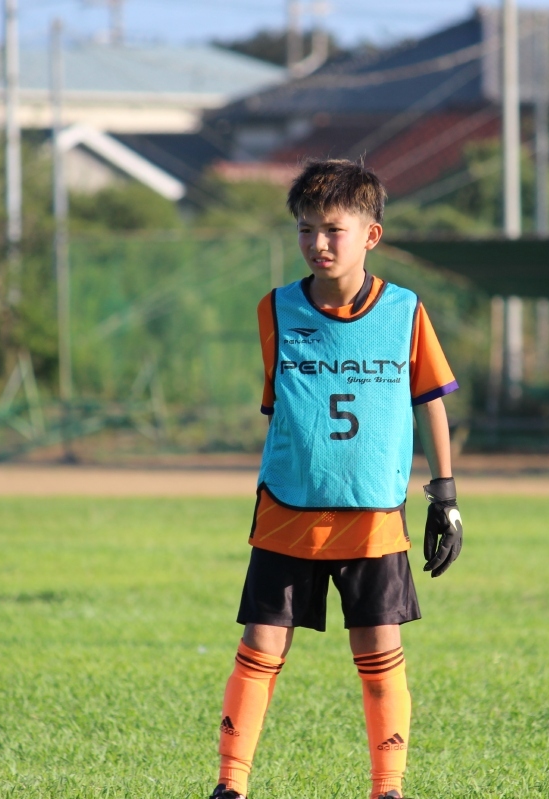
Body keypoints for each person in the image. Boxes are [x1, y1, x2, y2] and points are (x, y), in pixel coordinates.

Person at [209, 159, 464, 799]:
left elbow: (430, 400)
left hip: (373, 511)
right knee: (260, 647)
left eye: (332, 229)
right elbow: (280, 410)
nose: (317, 243)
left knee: (379, 656)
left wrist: (445, 496)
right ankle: (230, 784)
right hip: (289, 506)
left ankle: (388, 788)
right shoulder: (276, 310)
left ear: (370, 235)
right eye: (305, 229)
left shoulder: (404, 310)